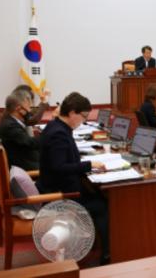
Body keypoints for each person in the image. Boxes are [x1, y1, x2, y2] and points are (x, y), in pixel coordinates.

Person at [36, 92, 110, 264]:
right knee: (102, 205)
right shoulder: (59, 134)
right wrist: (89, 165)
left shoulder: (56, 126)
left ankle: (96, 242)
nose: (84, 120)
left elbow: (63, 161)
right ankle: (107, 253)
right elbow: (59, 167)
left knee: (97, 193)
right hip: (62, 193)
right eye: (83, 116)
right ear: (71, 113)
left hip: (57, 185)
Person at [0, 90, 40, 170]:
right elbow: (30, 143)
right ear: (19, 109)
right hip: (25, 170)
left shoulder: (9, 121)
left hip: (24, 162)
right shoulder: (10, 126)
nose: (30, 111)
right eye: (29, 107)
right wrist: (48, 135)